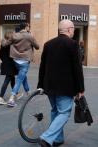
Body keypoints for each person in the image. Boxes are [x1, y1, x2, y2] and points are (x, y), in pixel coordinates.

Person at [37, 19, 85, 147]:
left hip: (49, 86)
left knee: (55, 111)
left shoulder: (48, 44)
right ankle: (47, 137)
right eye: (73, 28)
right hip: (65, 87)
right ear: (69, 29)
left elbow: (42, 66)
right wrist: (81, 88)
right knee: (64, 112)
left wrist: (40, 85)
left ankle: (58, 139)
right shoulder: (72, 44)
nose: (74, 30)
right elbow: (77, 68)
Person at [7, 22, 39, 107]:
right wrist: (32, 37)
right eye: (29, 26)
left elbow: (5, 43)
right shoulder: (29, 36)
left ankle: (28, 93)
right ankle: (11, 98)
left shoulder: (14, 35)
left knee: (23, 76)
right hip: (24, 61)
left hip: (15, 60)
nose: (29, 28)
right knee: (19, 79)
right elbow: (37, 46)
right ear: (26, 27)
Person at [0, 31, 23, 105]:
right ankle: (0, 98)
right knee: (7, 80)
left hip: (5, 64)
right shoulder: (11, 45)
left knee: (12, 79)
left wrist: (4, 61)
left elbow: (0, 54)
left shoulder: (3, 44)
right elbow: (14, 55)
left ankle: (16, 94)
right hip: (10, 65)